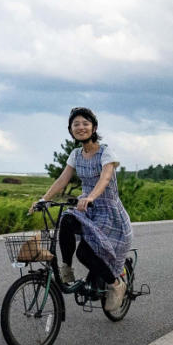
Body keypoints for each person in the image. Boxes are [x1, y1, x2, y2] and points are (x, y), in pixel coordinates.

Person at [34, 107, 133, 312]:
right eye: (76, 124)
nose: (81, 127)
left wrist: (90, 197)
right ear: (70, 130)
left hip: (108, 212)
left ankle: (116, 285)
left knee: (85, 252)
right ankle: (66, 269)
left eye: (85, 123)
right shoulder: (76, 154)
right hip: (87, 208)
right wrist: (44, 199)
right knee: (67, 222)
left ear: (94, 127)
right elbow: (63, 179)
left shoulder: (106, 152)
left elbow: (105, 178)